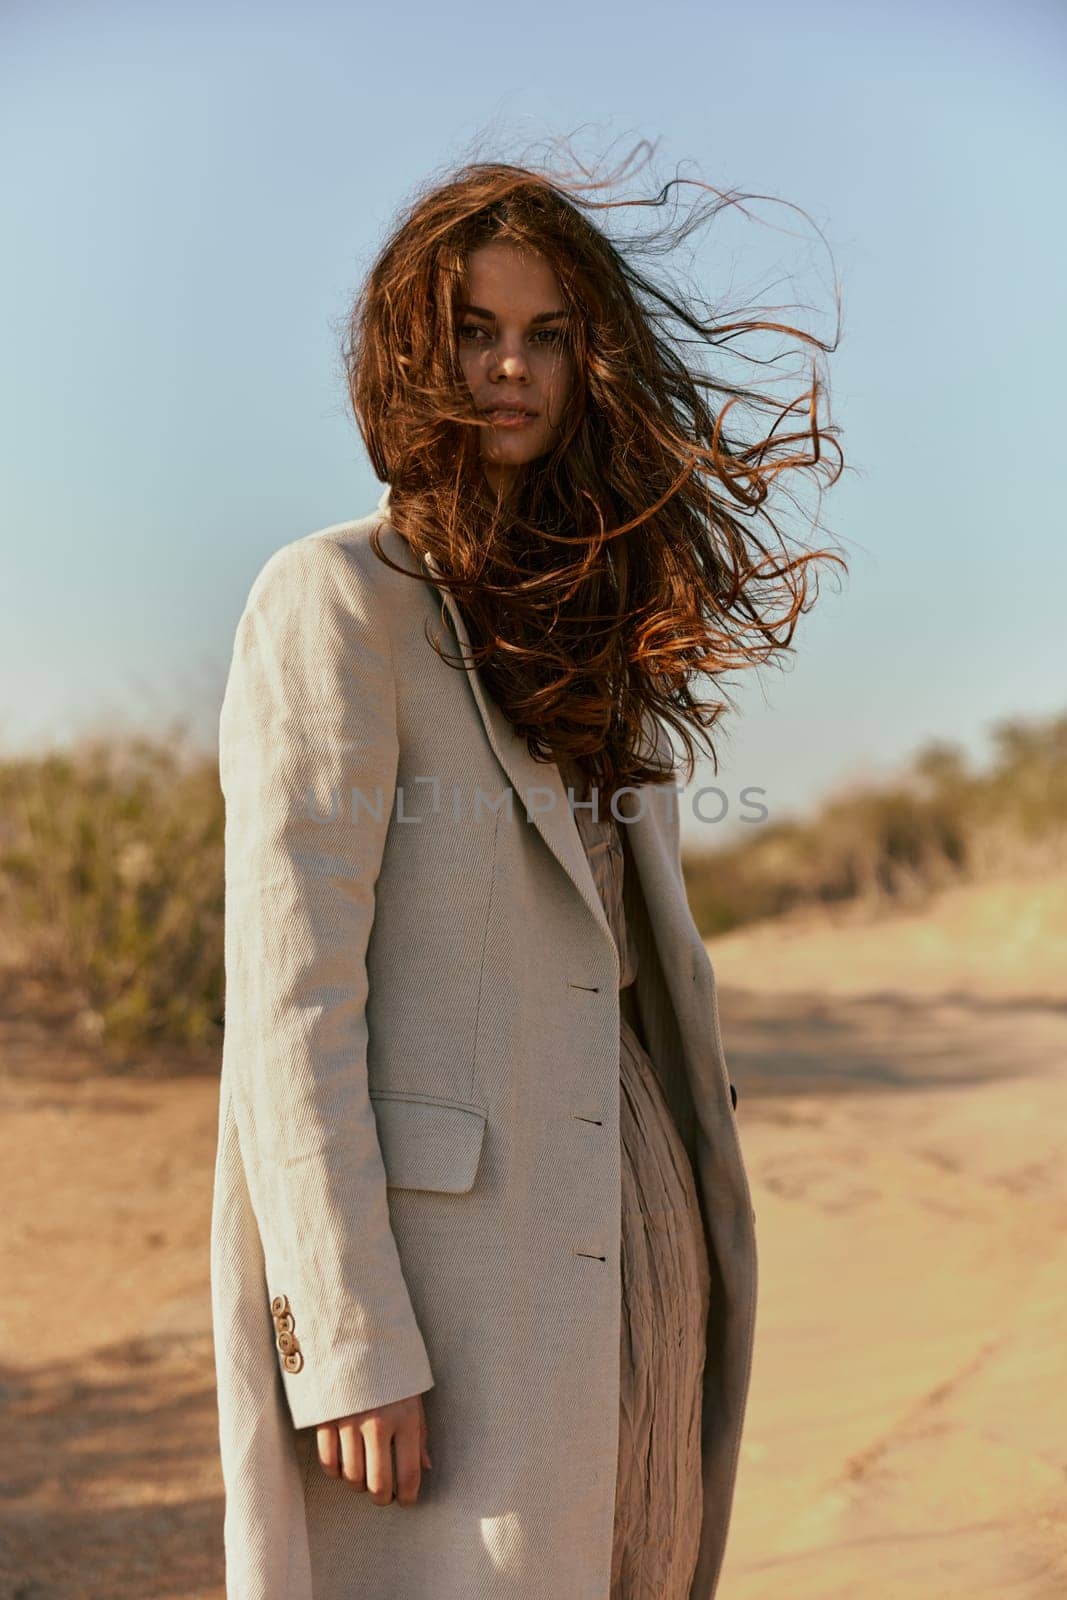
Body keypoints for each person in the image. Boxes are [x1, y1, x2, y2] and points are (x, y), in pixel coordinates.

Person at [210, 153, 845, 1600]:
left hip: (636, 1215)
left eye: (546, 334)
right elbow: (290, 997)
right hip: (452, 1276)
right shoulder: (334, 603)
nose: (510, 369)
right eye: (476, 332)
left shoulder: (599, 621)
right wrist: (347, 1331)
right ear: (409, 351)